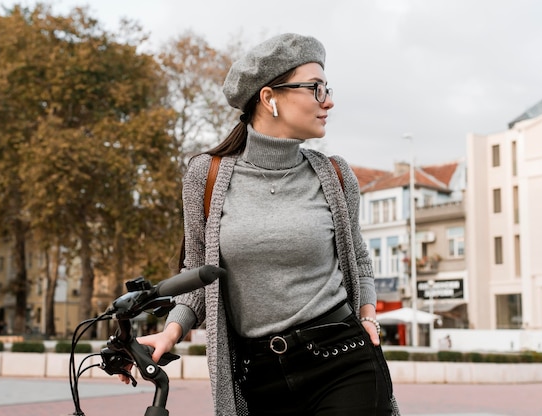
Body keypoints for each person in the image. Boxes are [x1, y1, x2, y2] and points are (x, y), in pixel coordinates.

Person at [123, 33, 399, 415]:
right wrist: (170, 332)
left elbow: (359, 259)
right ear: (269, 98)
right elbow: (197, 274)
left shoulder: (335, 175)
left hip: (343, 360)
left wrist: (368, 315)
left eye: (327, 88)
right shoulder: (206, 176)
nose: (328, 101)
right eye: (316, 88)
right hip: (260, 376)